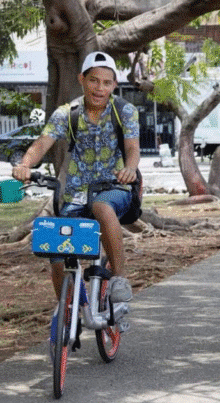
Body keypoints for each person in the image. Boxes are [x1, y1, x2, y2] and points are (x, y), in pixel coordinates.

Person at [12, 51, 140, 307]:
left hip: (115, 187)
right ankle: (68, 310)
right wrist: (25, 164)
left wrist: (130, 169)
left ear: (114, 85)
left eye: (106, 82)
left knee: (102, 206)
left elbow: (133, 149)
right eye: (94, 80)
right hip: (76, 193)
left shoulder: (125, 111)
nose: (99, 88)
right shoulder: (66, 113)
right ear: (82, 79)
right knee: (57, 248)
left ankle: (119, 279)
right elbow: (41, 144)